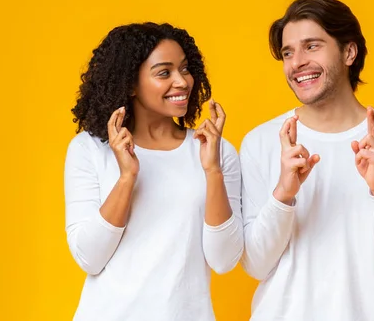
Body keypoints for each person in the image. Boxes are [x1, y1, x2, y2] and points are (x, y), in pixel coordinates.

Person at [240, 0, 374, 321]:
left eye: (311, 46)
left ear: (348, 52)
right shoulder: (262, 142)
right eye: (288, 53)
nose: (296, 62)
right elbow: (255, 264)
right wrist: (283, 196)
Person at [64, 22, 243, 320]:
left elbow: (224, 260)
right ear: (130, 84)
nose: (183, 81)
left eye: (185, 69)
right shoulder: (90, 149)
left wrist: (212, 171)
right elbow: (90, 258)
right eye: (164, 72)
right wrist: (127, 177)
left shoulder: (214, 151)